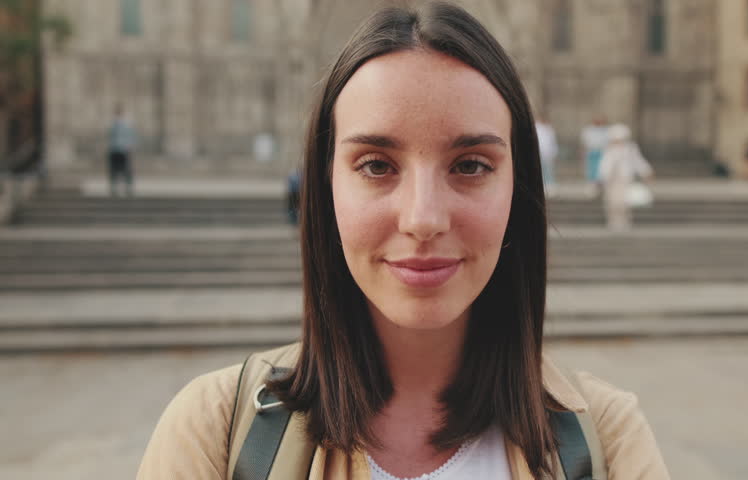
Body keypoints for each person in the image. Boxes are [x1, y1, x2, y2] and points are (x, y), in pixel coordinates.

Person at [137, 3, 670, 479]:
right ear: (325, 189)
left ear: (519, 188)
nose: (422, 218)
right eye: (375, 165)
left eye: (470, 165)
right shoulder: (214, 432)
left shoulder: (608, 440)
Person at [598, 124, 654, 232]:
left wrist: (646, 171)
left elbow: (638, 161)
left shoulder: (631, 148)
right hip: (611, 179)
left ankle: (624, 222)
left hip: (625, 178)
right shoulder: (609, 149)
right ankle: (613, 222)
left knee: (624, 202)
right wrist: (601, 177)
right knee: (612, 202)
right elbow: (604, 164)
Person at [107, 104, 136, 197]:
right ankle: (117, 187)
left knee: (123, 169)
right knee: (117, 169)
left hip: (120, 149)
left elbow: (131, 136)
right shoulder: (115, 123)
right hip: (117, 149)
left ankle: (126, 187)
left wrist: (130, 147)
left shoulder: (123, 123)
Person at [580, 115, 609, 195]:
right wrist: (583, 152)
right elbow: (584, 142)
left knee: (602, 170)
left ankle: (601, 187)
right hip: (591, 152)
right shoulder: (588, 130)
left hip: (603, 152)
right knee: (591, 170)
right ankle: (592, 188)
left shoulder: (606, 130)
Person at [535, 114, 559, 196]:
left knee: (548, 170)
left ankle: (549, 187)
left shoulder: (549, 128)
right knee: (539, 170)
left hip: (547, 153)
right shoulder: (536, 127)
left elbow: (552, 141)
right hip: (538, 152)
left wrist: (554, 151)